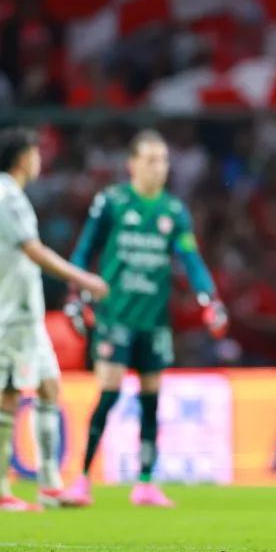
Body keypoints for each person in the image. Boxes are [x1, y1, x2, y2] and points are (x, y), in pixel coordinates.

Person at [60, 129, 228, 508]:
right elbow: (84, 249)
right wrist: (75, 293)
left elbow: (191, 259)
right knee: (110, 392)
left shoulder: (173, 211)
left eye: (164, 159)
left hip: (153, 321)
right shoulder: (112, 203)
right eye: (151, 159)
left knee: (152, 399)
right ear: (132, 164)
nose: (159, 167)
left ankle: (146, 482)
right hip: (114, 315)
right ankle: (82, 478)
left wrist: (210, 299)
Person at [0, 127, 108, 511]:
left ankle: (49, 485)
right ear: (20, 158)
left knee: (48, 386)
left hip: (22, 313)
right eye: (35, 153)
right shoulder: (6, 198)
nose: (39, 160)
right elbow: (33, 250)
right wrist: (84, 279)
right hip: (9, 313)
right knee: (10, 394)